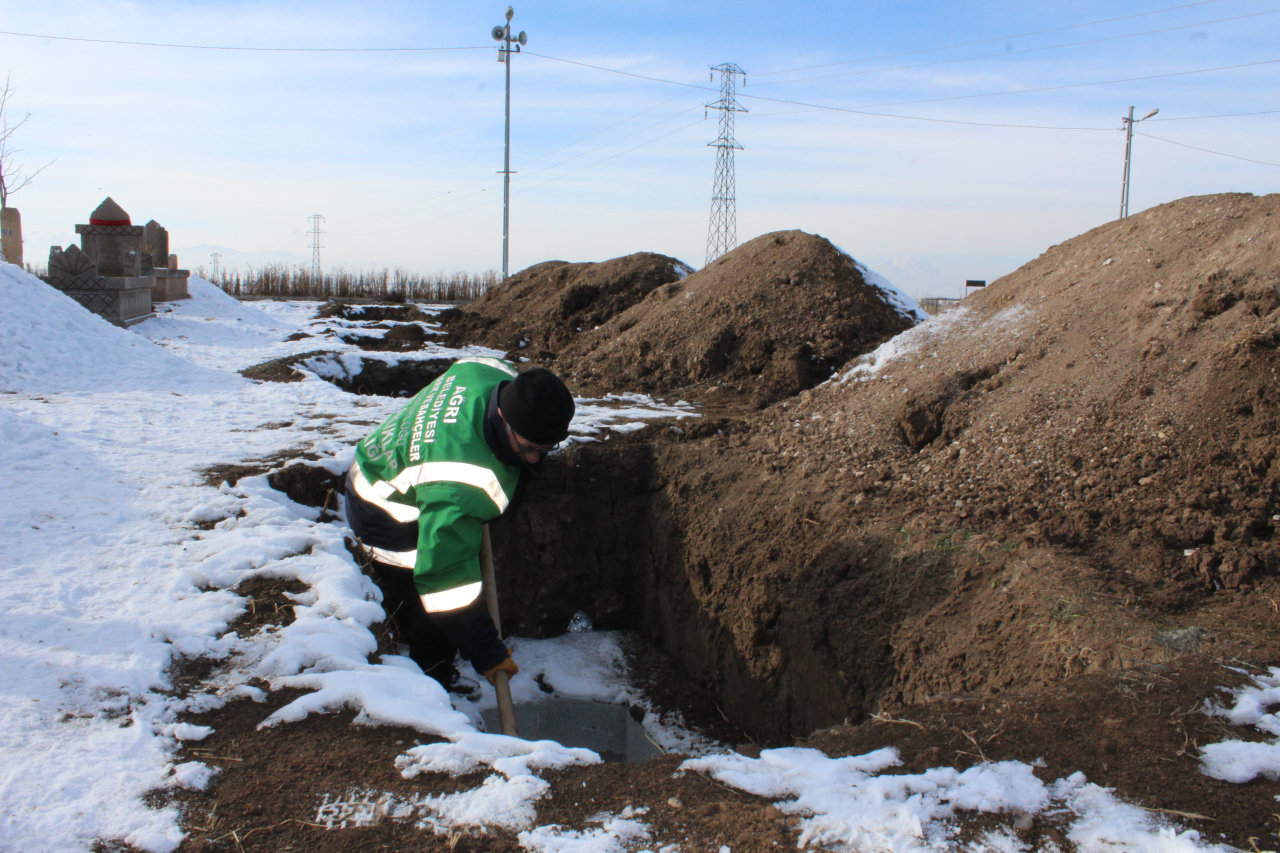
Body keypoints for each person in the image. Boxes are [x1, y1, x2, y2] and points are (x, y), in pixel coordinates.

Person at [344, 356, 575, 694]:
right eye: (528, 447)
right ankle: (432, 687)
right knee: (429, 611)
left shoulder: (490, 373)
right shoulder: (463, 484)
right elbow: (444, 582)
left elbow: (469, 363)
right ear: (503, 417)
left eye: (546, 449)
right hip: (383, 508)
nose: (533, 459)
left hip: (395, 462)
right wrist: (487, 652)